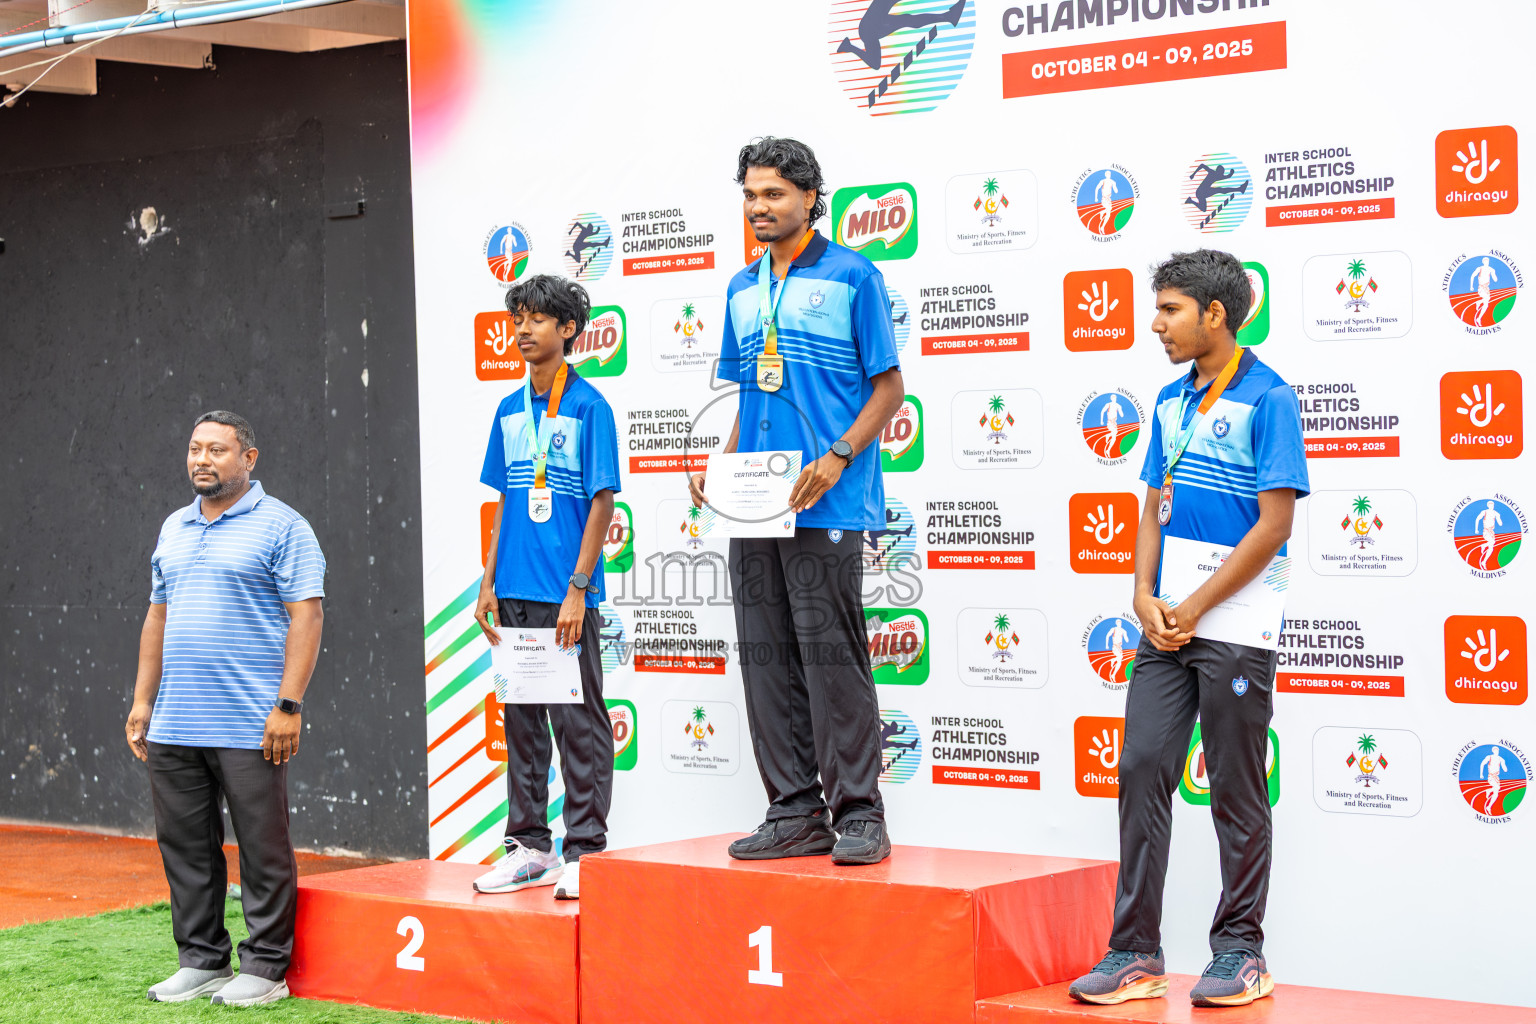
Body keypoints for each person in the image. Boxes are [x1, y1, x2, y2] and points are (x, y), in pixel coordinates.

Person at [1069, 250, 1308, 1009]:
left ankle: (1241, 950)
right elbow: (1153, 505)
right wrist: (1141, 593)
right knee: (1142, 765)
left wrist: (1196, 604)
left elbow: (1274, 527)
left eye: (1171, 309)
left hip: (1232, 623)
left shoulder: (1268, 398)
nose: (1156, 323)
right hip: (1164, 622)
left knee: (1236, 787)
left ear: (1216, 313)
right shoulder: (1171, 401)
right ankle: (1136, 950)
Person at [690, 137, 903, 866]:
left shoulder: (854, 276)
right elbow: (747, 397)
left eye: (775, 194)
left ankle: (860, 813)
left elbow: (889, 390)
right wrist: (718, 470)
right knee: (765, 654)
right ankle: (792, 810)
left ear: (811, 197)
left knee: (830, 657)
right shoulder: (741, 288)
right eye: (751, 195)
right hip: (756, 503)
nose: (760, 208)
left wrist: (840, 456)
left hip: (831, 501)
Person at [125, 411, 326, 1007]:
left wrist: (288, 705)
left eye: (217, 449)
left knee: (263, 850)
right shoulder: (174, 528)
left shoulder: (284, 527)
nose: (201, 460)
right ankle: (202, 960)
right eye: (194, 449)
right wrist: (142, 701)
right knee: (186, 850)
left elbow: (307, 616)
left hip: (250, 724)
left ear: (249, 458)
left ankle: (265, 969)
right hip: (175, 722)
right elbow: (157, 617)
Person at [473, 274, 620, 900]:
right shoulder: (509, 409)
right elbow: (507, 500)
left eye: (538, 319)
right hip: (512, 591)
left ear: (567, 330)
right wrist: (486, 583)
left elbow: (602, 501)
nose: (524, 330)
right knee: (524, 723)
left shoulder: (590, 406)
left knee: (579, 724)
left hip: (566, 595)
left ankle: (585, 852)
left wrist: (579, 586)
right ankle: (529, 847)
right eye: (518, 319)